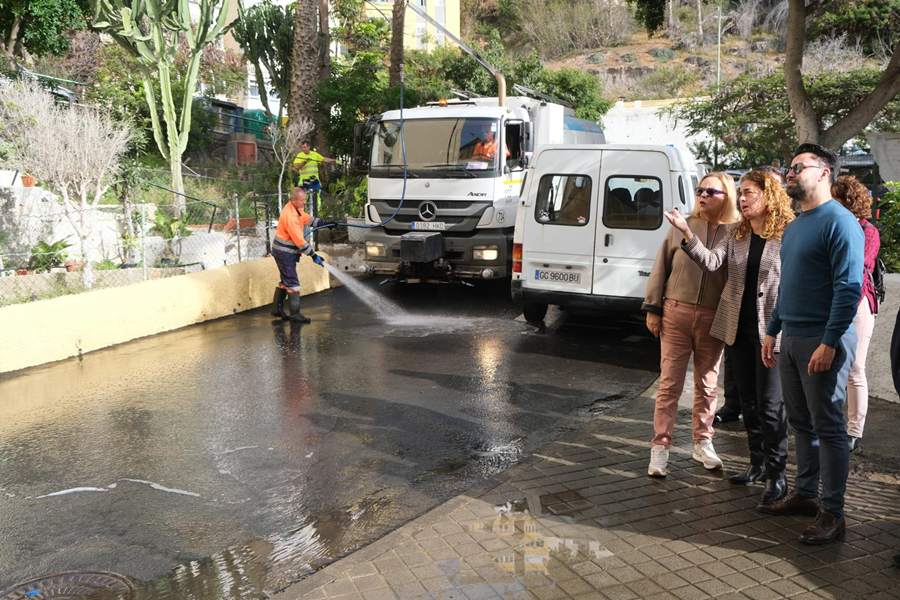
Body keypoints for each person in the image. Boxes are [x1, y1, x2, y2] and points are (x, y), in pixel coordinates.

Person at [667, 170, 794, 507]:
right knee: (748, 401)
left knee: (770, 405)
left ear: (768, 196)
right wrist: (686, 234)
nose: (742, 198)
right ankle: (757, 464)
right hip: (736, 328)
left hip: (771, 332)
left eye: (749, 192)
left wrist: (781, 327)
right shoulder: (736, 232)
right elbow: (711, 263)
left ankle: (777, 475)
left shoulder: (787, 233)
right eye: (740, 192)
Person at [760, 143, 864, 545]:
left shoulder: (841, 222)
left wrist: (830, 340)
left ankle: (833, 513)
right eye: (789, 167)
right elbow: (788, 285)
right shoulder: (796, 225)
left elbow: (849, 288)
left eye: (798, 167)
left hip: (823, 340)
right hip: (791, 338)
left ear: (824, 173)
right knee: (801, 423)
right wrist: (773, 330)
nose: (790, 172)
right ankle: (805, 494)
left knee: (829, 428)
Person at [643, 172, 742, 477]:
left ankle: (703, 442)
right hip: (676, 312)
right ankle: (660, 446)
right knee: (669, 383)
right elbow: (661, 266)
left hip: (713, 316)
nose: (702, 195)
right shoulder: (681, 225)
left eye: (710, 191)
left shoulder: (737, 232)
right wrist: (653, 307)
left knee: (708, 385)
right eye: (700, 190)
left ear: (726, 196)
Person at [832, 176, 880, 454]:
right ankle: (831, 426)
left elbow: (859, 266)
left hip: (858, 303)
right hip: (831, 303)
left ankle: (854, 432)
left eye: (835, 199)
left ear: (849, 201)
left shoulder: (867, 231)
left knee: (855, 368)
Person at [271, 187, 336, 323]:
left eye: (304, 199)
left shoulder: (295, 208)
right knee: (292, 282)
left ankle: (277, 309)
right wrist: (313, 255)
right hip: (284, 253)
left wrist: (324, 223)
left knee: (286, 280)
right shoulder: (290, 216)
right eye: (302, 200)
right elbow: (299, 241)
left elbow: (306, 218)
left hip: (284, 252)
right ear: (294, 200)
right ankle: (295, 314)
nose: (304, 202)